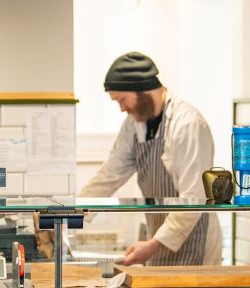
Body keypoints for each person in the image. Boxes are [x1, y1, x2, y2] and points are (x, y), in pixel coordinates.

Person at [80, 52, 223, 266]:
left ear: (141, 89)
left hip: (195, 240)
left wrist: (153, 245)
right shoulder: (134, 123)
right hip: (158, 240)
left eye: (122, 100)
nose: (122, 109)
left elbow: (193, 198)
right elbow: (111, 173)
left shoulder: (187, 124)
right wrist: (73, 213)